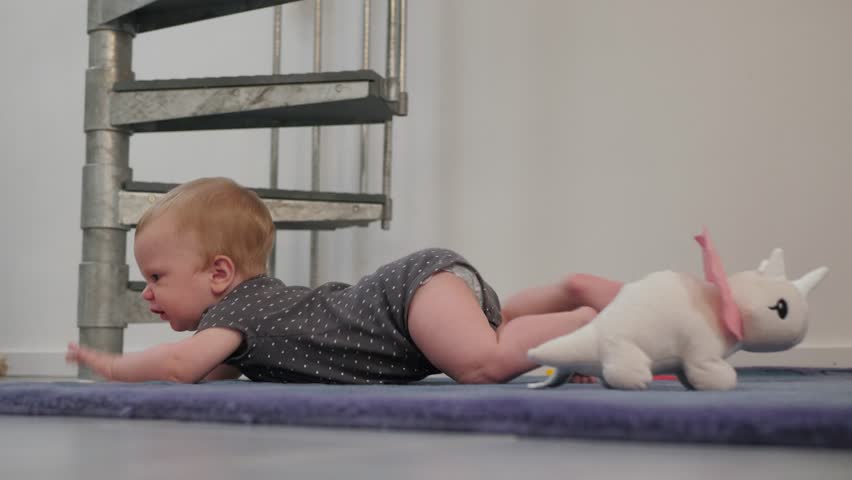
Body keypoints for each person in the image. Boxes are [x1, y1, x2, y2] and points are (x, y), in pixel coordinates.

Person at [67, 177, 623, 384]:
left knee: (483, 362)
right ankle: (568, 290)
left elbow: (178, 366)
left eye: (156, 277)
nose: (147, 293)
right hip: (418, 302)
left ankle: (588, 322)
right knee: (493, 328)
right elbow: (205, 376)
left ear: (219, 274)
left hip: (402, 301)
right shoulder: (243, 321)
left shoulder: (236, 313)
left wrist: (115, 366)